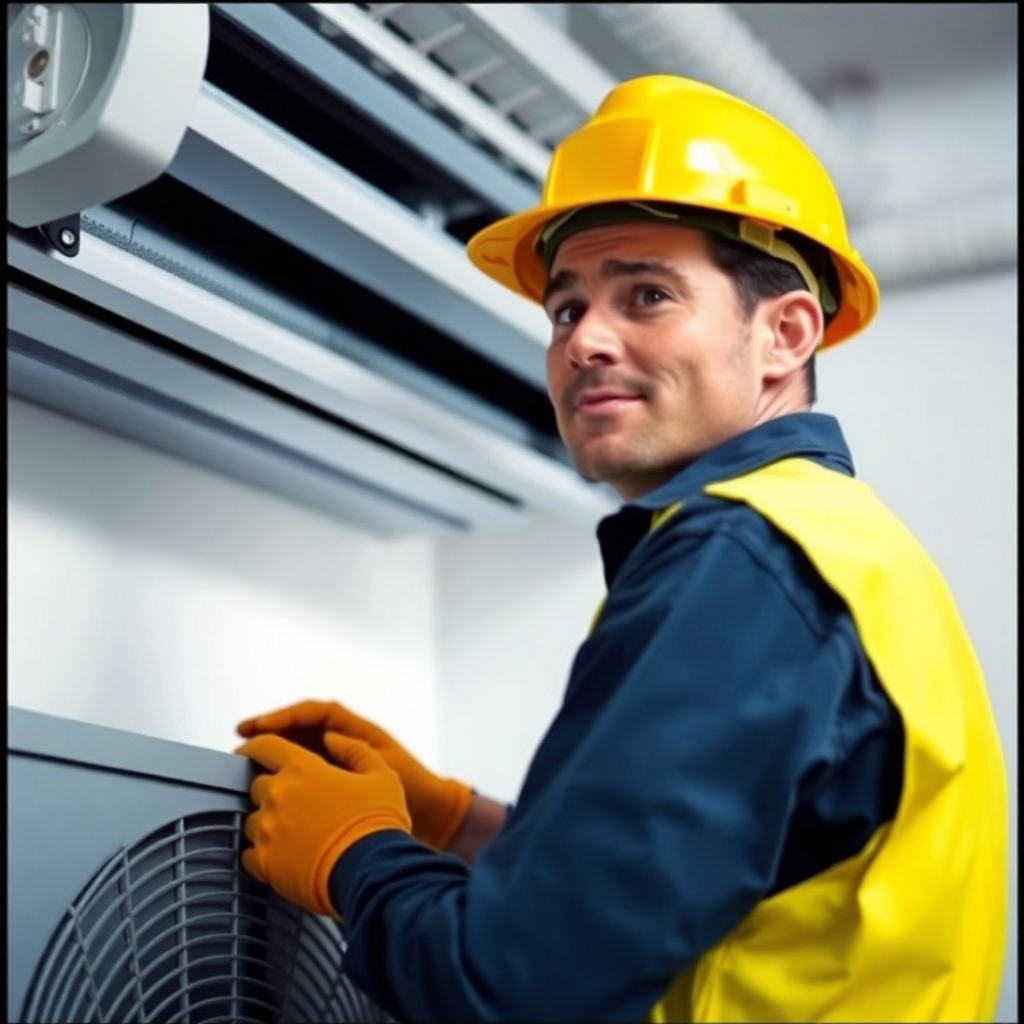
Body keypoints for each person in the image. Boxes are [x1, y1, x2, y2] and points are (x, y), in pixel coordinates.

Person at [235, 74, 1008, 1022]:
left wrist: (354, 856)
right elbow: (682, 901)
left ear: (785, 333)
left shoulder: (742, 557)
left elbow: (512, 988)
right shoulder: (848, 550)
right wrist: (457, 823)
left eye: (647, 294)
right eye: (566, 310)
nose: (586, 341)